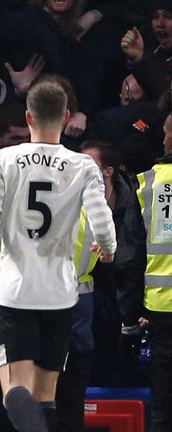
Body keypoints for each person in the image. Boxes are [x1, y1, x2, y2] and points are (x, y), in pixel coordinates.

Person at [0, 81, 117, 432]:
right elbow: (103, 225)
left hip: (15, 292)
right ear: (66, 117)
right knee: (46, 397)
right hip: (60, 294)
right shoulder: (82, 166)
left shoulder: (3, 159)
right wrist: (108, 251)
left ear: (28, 116)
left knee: (16, 394)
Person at [134, 110, 172, 431]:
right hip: (161, 307)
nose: (162, 137)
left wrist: (131, 312)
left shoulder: (149, 183)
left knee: (163, 400)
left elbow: (130, 255)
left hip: (162, 305)